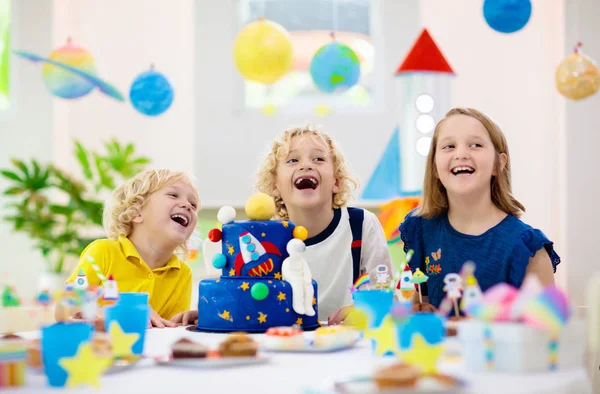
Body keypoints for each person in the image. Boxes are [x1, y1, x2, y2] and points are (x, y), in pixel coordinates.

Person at [171, 125, 393, 326]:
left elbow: (383, 291)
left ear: (336, 182)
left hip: (344, 342)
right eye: (292, 160)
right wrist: (213, 312)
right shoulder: (264, 237)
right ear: (275, 185)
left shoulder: (360, 225)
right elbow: (247, 299)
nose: (306, 165)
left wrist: (365, 309)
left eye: (318, 159)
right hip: (282, 344)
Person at [399, 108, 560, 311]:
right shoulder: (420, 230)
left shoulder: (527, 249)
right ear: (434, 167)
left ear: (498, 164)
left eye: (476, 145)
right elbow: (422, 301)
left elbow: (547, 336)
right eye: (449, 146)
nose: (461, 154)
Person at [61, 169, 199, 327]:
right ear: (136, 211)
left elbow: (169, 331)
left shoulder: (183, 274)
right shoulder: (103, 252)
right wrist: (122, 312)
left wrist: (189, 322)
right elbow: (68, 308)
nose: (187, 205)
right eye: (173, 195)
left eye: (193, 204)